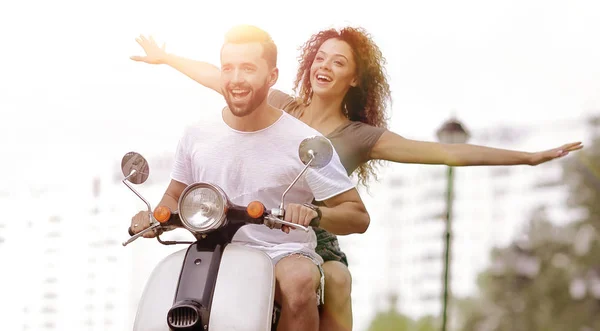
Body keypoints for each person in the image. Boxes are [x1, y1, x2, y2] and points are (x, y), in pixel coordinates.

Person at [130, 26, 584, 331]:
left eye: (339, 63)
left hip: (306, 227)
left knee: (329, 281)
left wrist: (526, 158)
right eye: (320, 58)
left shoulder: (359, 135)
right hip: (238, 224)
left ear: (354, 79)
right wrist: (168, 59)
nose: (325, 67)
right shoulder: (280, 104)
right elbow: (222, 76)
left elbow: (445, 152)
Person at [129, 25, 371, 331]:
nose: (236, 79)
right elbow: (174, 194)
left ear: (272, 77)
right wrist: (152, 216)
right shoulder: (196, 135)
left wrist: (315, 213)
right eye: (228, 68)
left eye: (248, 68)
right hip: (212, 249)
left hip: (282, 252)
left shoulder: (304, 141)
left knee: (298, 282)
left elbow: (358, 216)